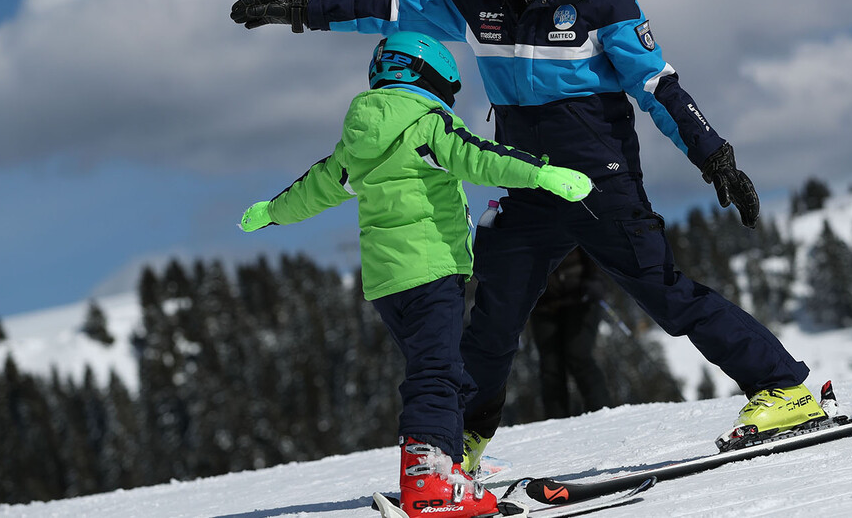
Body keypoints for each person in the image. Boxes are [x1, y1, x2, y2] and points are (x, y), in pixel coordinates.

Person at [230, 0, 823, 476]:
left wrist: (714, 156)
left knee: (666, 295)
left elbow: (656, 86)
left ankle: (784, 389)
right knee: (493, 318)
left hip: (598, 180)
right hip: (524, 181)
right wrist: (300, 9)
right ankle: (462, 441)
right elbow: (387, 9)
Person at [237, 30, 592, 518]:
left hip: (386, 283)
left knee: (445, 368)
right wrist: (542, 174)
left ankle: (447, 463)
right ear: (434, 77)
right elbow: (480, 157)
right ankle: (428, 480)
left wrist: (273, 212)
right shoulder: (427, 125)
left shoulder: (355, 143)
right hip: (430, 268)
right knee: (436, 372)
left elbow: (315, 188)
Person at [530, 247, 611, 418]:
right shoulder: (522, 229)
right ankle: (556, 421)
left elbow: (594, 247)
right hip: (543, 304)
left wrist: (595, 280)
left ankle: (601, 413)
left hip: (580, 297)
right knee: (550, 366)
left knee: (578, 354)